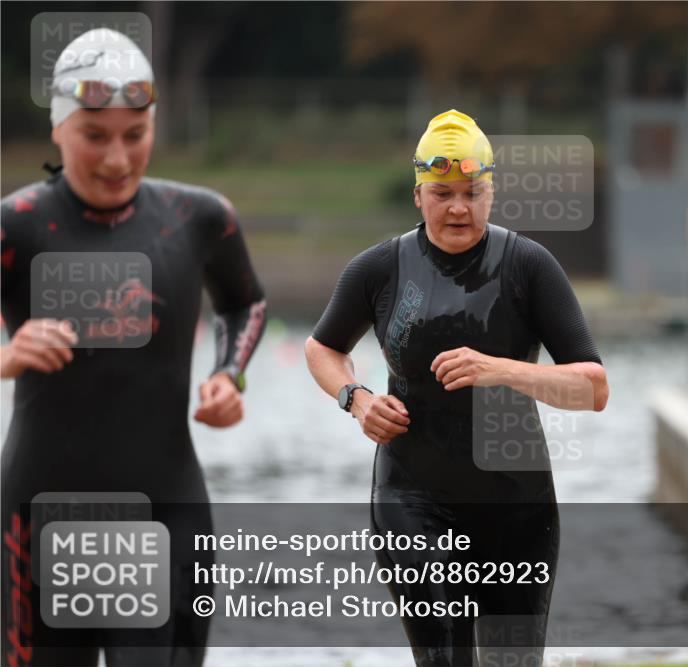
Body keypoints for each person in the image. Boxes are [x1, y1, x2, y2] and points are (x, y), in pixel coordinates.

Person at [1, 29, 267, 666]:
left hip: (164, 512)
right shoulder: (15, 224)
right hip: (39, 516)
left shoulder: (199, 217)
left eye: (136, 134)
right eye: (95, 136)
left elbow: (244, 302)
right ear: (59, 131)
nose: (118, 158)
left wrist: (229, 375)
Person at [305, 109, 608, 666]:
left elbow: (593, 388)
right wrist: (357, 399)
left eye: (472, 192)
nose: (458, 208)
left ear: (492, 193)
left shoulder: (528, 266)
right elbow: (321, 349)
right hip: (412, 498)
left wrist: (501, 370)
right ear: (418, 195)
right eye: (442, 193)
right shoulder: (378, 269)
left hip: (517, 507)